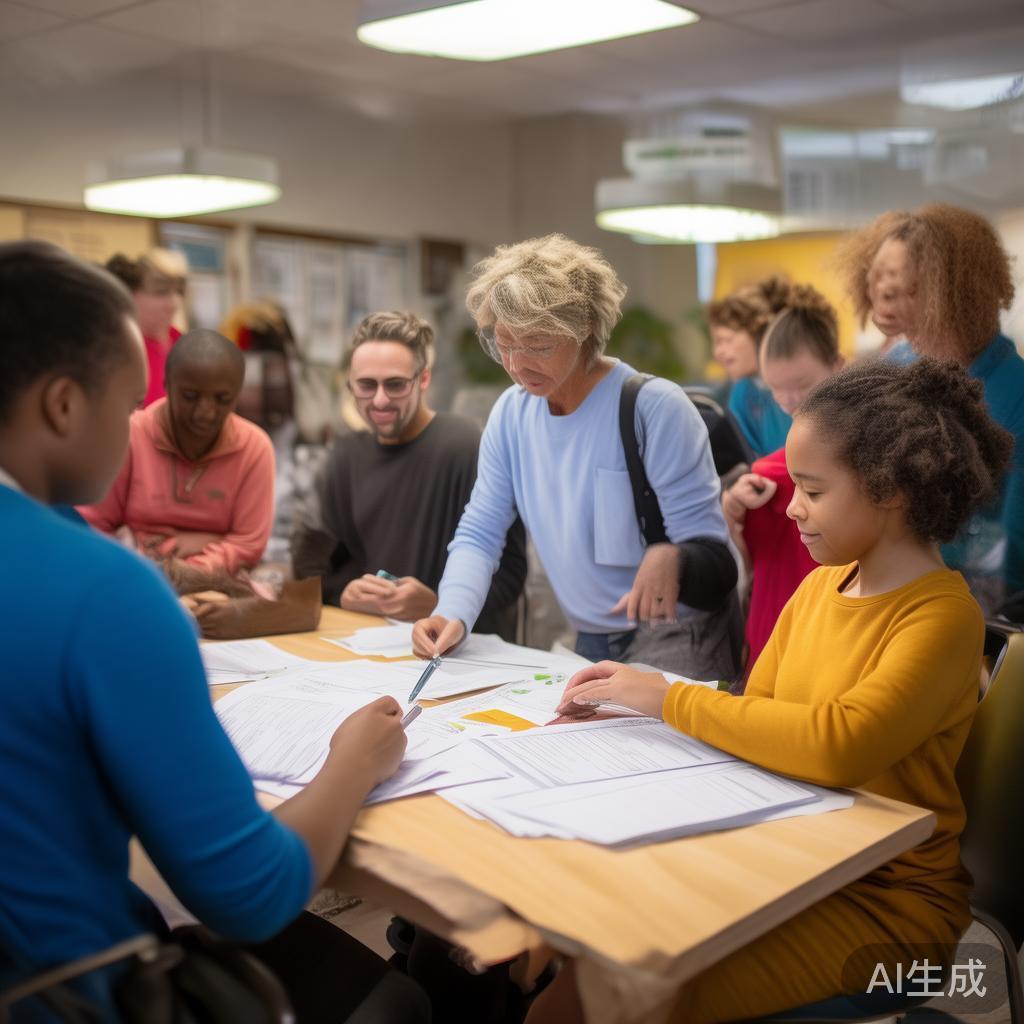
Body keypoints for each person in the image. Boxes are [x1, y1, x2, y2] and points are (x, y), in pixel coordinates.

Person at [0, 240, 429, 1022]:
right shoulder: (103, 593)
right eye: (133, 401)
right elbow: (250, 895)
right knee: (398, 1002)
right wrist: (354, 764)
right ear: (63, 405)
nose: (144, 422)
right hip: (73, 989)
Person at [540, 358, 1013, 1024]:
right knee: (581, 975)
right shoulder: (820, 586)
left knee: (631, 993)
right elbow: (755, 718)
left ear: (891, 491)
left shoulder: (942, 617)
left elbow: (838, 744)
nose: (792, 507)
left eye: (813, 492)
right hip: (791, 863)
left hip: (891, 912)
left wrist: (666, 699)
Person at [412, 234, 736, 678]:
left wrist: (674, 557)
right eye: (503, 344)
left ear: (583, 329)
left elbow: (717, 564)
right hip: (590, 637)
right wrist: (452, 612)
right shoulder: (512, 412)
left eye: (538, 345)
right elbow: (481, 530)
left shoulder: (652, 408)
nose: (517, 364)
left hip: (676, 636)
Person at [837, 202, 1023, 614]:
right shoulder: (895, 371)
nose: (886, 300)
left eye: (909, 289)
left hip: (976, 617)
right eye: (881, 283)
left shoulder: (1016, 396)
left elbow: (1012, 555)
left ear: (954, 292)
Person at [292, 310, 526, 633]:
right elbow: (311, 566)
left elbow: (511, 574)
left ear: (424, 380)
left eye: (396, 385)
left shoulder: (468, 446)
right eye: (365, 386)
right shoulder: (344, 457)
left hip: (456, 656)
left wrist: (441, 607)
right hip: (366, 651)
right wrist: (343, 593)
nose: (380, 400)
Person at [80, 328, 275, 594]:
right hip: (136, 582)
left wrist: (187, 570)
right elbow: (92, 526)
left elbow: (249, 543)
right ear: (166, 385)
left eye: (222, 399)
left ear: (238, 393)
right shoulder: (131, 436)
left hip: (217, 591)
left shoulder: (255, 448)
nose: (205, 412)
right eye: (191, 396)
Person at [721, 283, 844, 672]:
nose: (791, 402)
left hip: (831, 640)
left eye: (803, 386)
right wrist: (733, 507)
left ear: (839, 367)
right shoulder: (765, 477)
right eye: (776, 391)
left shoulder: (867, 468)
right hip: (770, 637)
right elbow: (745, 564)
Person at [707, 276, 792, 458]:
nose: (718, 353)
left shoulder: (797, 387)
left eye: (727, 340)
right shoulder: (743, 392)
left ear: (760, 334)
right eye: (716, 343)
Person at [105, 249, 186, 409]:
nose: (174, 303)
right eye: (161, 292)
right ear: (130, 293)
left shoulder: (184, 345)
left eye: (178, 292)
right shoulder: (117, 350)